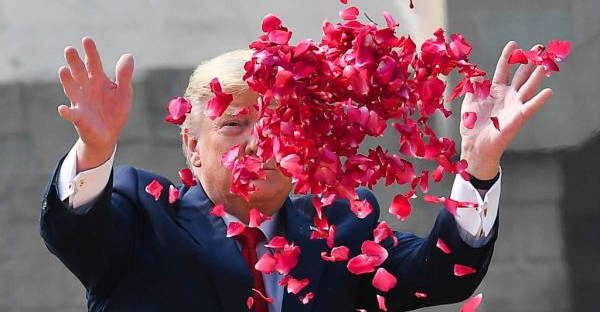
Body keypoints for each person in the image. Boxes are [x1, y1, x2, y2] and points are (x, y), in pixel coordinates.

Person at [40, 37, 553, 311]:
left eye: (280, 123)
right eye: (235, 124)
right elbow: (74, 228)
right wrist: (95, 146)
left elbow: (442, 275)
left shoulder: (342, 228)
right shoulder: (140, 215)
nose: (261, 142)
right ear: (193, 146)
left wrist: (479, 166)